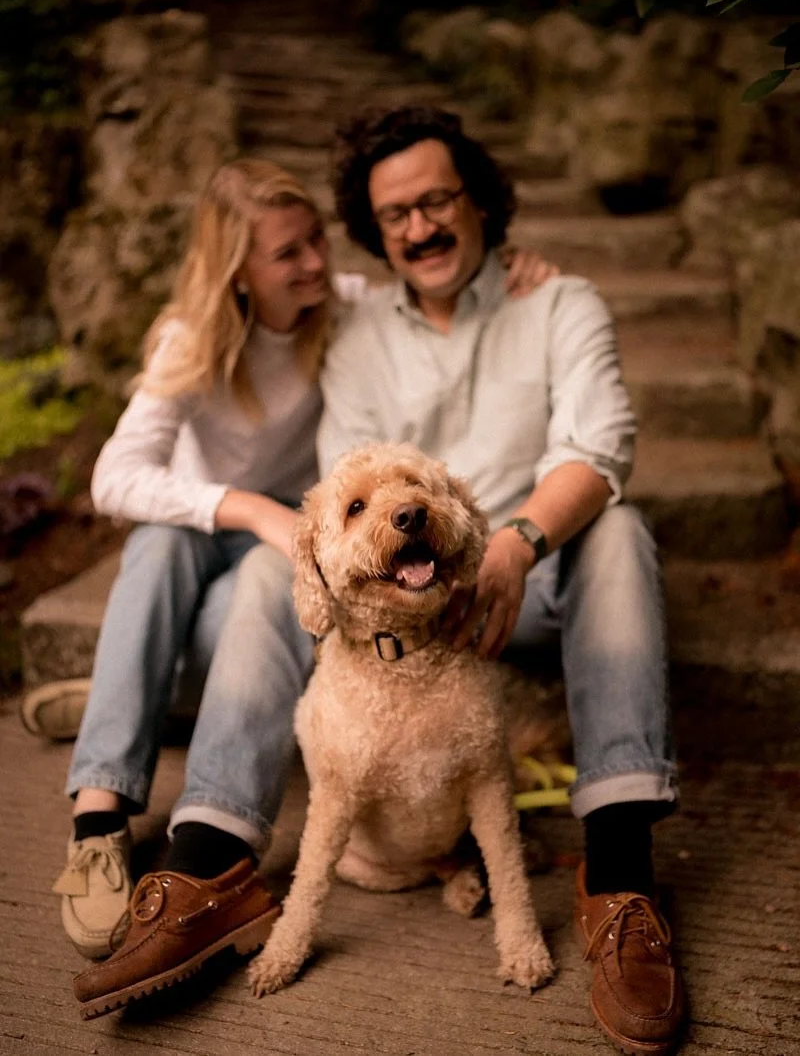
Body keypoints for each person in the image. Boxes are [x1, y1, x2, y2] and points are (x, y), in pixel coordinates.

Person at [42, 156, 554, 1017]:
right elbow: (113, 478)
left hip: (289, 557)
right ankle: (99, 820)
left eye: (316, 238)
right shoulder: (190, 340)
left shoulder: (344, 306)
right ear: (237, 268)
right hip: (225, 533)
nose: (314, 263)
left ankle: (197, 809)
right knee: (159, 548)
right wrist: (245, 508)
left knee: (255, 581)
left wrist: (512, 271)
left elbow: (432, 278)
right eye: (288, 254)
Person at [313, 106, 682, 1055]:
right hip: (408, 615)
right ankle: (217, 854)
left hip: (537, 577)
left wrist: (515, 542)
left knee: (622, 527)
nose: (421, 228)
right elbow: (342, 489)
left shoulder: (560, 302)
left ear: (480, 200)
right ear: (375, 229)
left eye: (437, 200)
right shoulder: (356, 336)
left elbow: (602, 448)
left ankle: (621, 871)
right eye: (395, 215)